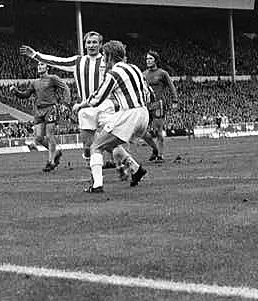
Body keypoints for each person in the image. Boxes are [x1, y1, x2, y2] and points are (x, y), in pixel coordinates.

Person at [20, 31, 117, 168]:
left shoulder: (107, 62)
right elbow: (56, 60)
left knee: (109, 138)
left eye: (95, 42)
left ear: (100, 44)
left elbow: (119, 76)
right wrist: (36, 55)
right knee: (87, 145)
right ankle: (94, 167)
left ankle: (122, 164)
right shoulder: (77, 61)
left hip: (105, 105)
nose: (91, 45)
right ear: (85, 45)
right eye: (89, 42)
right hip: (86, 107)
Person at [73, 40, 153, 193]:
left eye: (104, 57)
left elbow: (98, 99)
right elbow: (149, 94)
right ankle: (136, 170)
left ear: (110, 57)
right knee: (109, 144)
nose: (103, 61)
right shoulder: (135, 68)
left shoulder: (114, 73)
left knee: (96, 146)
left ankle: (97, 185)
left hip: (129, 115)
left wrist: (81, 105)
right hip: (144, 114)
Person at [9, 63, 71, 172]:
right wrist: (15, 92)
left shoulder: (53, 78)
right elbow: (26, 95)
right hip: (39, 110)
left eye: (42, 65)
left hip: (50, 108)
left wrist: (66, 103)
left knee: (49, 135)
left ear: (47, 68)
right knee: (39, 138)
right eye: (38, 65)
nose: (39, 66)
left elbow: (65, 87)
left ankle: (51, 162)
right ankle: (55, 153)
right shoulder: (35, 83)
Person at [141, 51, 178, 162]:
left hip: (159, 105)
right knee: (141, 130)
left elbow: (172, 87)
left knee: (158, 131)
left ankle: (160, 155)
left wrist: (175, 100)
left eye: (150, 59)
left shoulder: (162, 73)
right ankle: (155, 149)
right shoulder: (143, 74)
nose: (148, 61)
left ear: (156, 60)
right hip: (146, 105)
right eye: (147, 59)